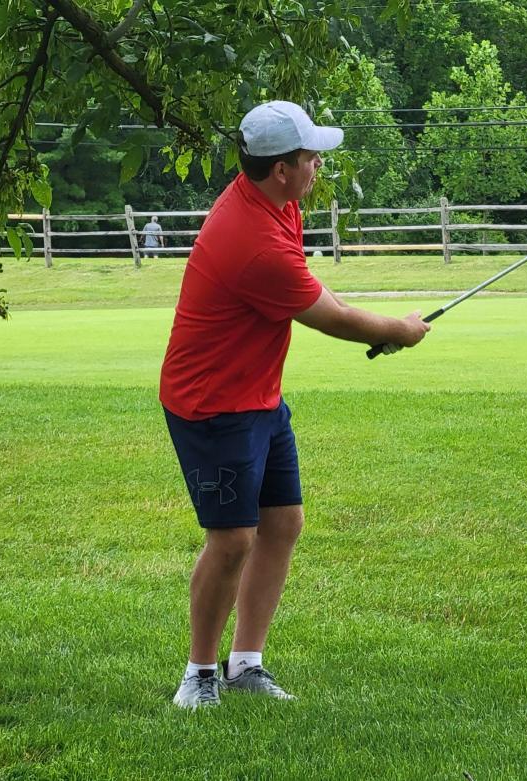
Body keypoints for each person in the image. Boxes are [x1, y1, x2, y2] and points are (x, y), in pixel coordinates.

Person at [159, 100, 430, 709]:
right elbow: (327, 316)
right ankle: (198, 675)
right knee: (231, 541)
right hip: (214, 405)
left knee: (282, 523)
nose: (317, 165)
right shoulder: (251, 238)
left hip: (257, 395)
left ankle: (244, 664)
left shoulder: (277, 204)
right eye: (310, 157)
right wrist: (397, 329)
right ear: (280, 167)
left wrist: (381, 330)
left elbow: (307, 286)